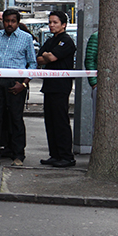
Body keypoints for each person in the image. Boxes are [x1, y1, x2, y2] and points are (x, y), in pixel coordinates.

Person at [0, 8, 37, 167]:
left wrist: (24, 83)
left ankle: (18, 155)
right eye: (7, 21)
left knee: (15, 119)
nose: (9, 24)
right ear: (3, 21)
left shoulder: (26, 38)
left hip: (16, 83)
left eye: (13, 21)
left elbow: (32, 64)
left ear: (18, 22)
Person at [36, 11, 77, 168]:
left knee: (60, 121)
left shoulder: (66, 41)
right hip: (49, 85)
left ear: (63, 24)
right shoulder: (50, 40)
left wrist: (48, 56)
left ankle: (66, 156)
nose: (51, 25)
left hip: (61, 86)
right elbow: (39, 58)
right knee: (50, 121)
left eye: (55, 22)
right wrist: (47, 55)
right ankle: (55, 154)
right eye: (50, 22)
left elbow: (51, 58)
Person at [84, 30, 118, 126]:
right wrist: (94, 83)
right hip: (100, 83)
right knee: (99, 118)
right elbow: (90, 59)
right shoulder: (96, 37)